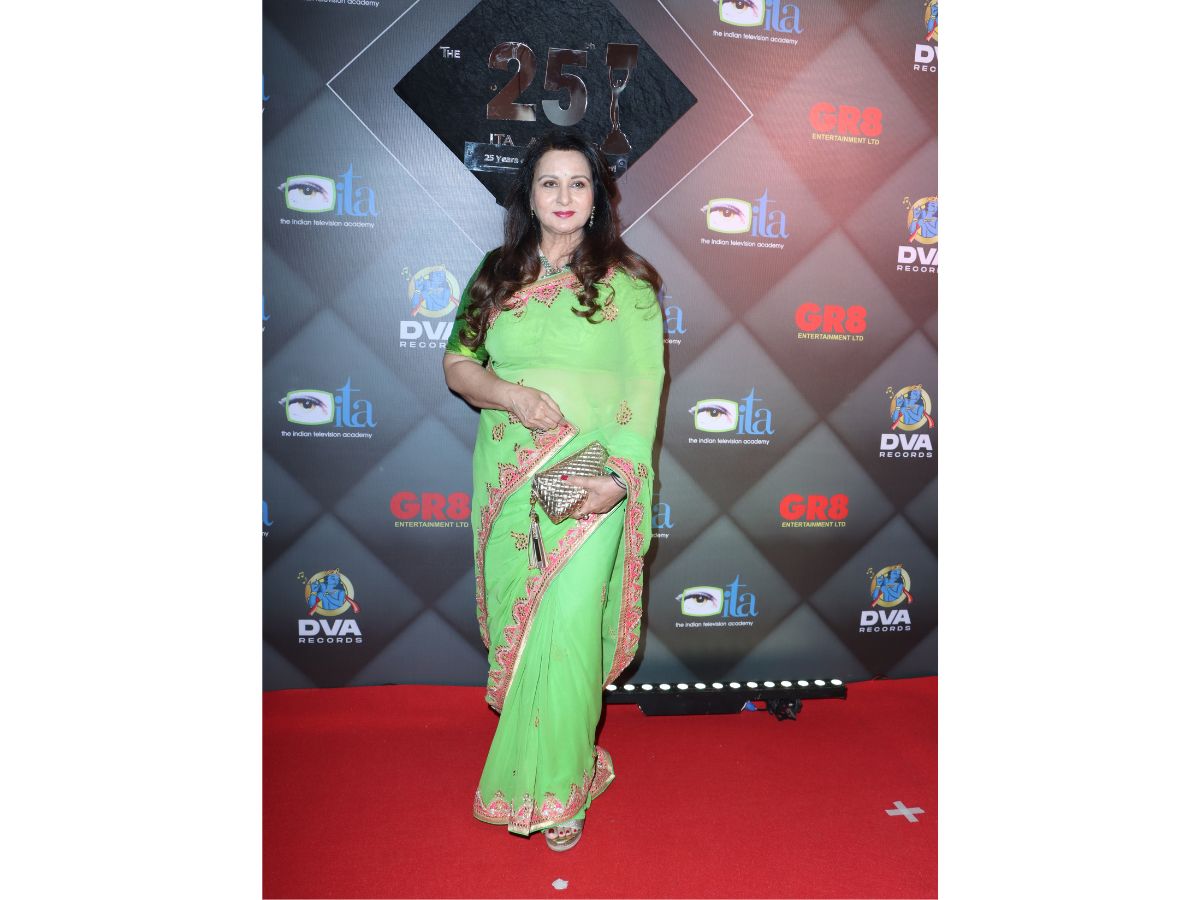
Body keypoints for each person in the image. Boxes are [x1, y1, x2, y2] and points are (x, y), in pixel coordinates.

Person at [442, 128, 664, 852]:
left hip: (587, 475)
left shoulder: (629, 285)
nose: (564, 196)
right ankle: (546, 768)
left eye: (578, 182)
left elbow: (643, 388)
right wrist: (509, 394)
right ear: (529, 196)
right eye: (549, 182)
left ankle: (562, 789)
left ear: (597, 198)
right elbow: (458, 365)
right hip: (510, 477)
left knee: (567, 627)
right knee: (529, 622)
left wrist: (617, 478)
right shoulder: (496, 273)